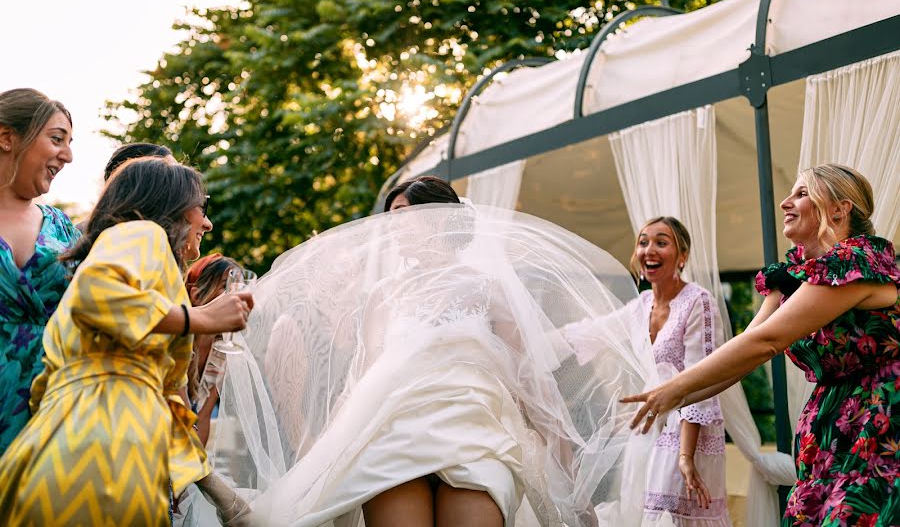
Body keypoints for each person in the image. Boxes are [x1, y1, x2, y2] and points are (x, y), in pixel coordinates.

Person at [188, 175, 661, 527]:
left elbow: (530, 381)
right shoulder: (382, 296)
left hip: (476, 440)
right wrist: (325, 448)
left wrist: (564, 460)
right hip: (393, 441)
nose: (392, 230)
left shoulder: (489, 290)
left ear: (441, 219)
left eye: (403, 218)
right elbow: (365, 380)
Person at [623, 164, 900, 526]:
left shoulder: (856, 263)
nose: (785, 202)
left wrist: (676, 388)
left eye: (801, 194)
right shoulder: (795, 274)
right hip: (831, 434)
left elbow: (767, 342)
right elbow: (745, 351)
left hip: (878, 427)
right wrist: (673, 400)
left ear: (839, 209)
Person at [0, 158, 255, 526]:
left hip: (70, 449)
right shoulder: (142, 234)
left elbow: (169, 406)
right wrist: (199, 318)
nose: (207, 221)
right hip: (103, 454)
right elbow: (96, 294)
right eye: (203, 206)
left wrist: (221, 496)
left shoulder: (144, 265)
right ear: (174, 206)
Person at [563, 217, 731, 526]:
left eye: (661, 242)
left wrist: (686, 456)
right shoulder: (640, 305)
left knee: (675, 517)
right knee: (645, 515)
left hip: (686, 437)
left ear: (682, 256)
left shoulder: (698, 301)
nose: (649, 249)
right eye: (643, 242)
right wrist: (533, 335)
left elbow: (701, 378)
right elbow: (591, 332)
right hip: (647, 433)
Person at [0, 88, 79, 455]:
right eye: (56, 139)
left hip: (57, 408)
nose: (68, 155)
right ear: (6, 137)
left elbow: (105, 305)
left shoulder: (64, 229)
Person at [184, 253, 243, 445]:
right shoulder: (177, 343)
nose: (236, 298)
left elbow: (203, 417)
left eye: (240, 289)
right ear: (197, 295)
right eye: (226, 287)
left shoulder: (222, 350)